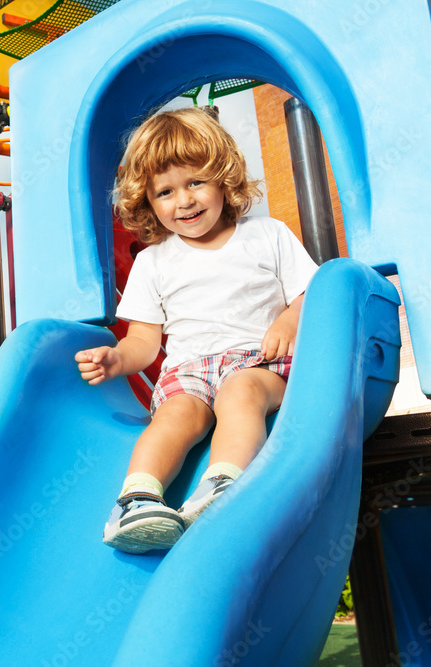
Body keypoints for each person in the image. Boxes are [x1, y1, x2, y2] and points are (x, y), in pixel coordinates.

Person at [75, 107, 319, 554]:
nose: (183, 200)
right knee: (175, 415)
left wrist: (288, 319)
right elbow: (145, 343)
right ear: (147, 202)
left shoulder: (267, 234)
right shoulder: (154, 261)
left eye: (195, 182)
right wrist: (115, 358)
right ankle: (136, 500)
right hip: (189, 368)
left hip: (258, 361)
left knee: (239, 393)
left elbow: (311, 292)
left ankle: (224, 485)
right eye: (165, 191)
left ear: (223, 179)